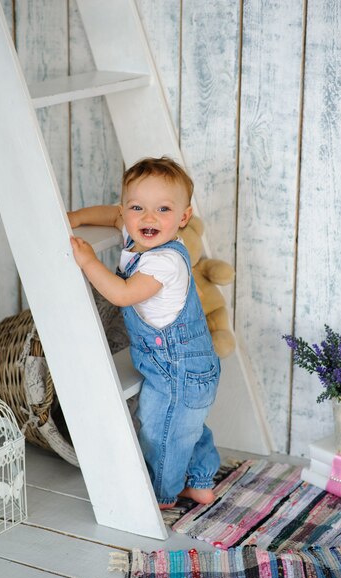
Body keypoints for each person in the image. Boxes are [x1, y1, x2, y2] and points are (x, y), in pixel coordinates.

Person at [69, 157, 220, 510]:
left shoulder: (162, 262)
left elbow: (121, 294)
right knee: (185, 425)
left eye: (163, 209)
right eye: (138, 207)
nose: (148, 218)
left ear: (183, 217)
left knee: (161, 431)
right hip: (180, 364)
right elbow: (112, 215)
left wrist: (89, 261)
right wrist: (75, 218)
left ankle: (161, 496)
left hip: (177, 368)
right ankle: (199, 482)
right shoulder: (138, 234)